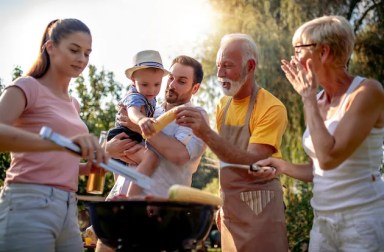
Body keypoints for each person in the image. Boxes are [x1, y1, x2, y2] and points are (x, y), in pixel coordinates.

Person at [257, 15, 384, 251]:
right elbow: (319, 171)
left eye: (298, 50)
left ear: (323, 52)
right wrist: (280, 165)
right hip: (323, 223)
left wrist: (306, 98)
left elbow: (328, 158)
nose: (293, 58)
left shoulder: (367, 92)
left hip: (362, 222)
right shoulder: (316, 100)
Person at [0, 19, 108, 252]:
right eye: (74, 50)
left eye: (87, 53)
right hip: (28, 201)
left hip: (68, 206)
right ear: (50, 47)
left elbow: (54, 158)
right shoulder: (27, 86)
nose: (82, 59)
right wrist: (62, 144)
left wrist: (84, 169)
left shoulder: (74, 104)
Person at [175, 33, 289, 251]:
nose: (219, 74)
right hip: (230, 209)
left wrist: (206, 133)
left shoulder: (271, 108)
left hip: (261, 209)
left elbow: (253, 162)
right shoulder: (222, 106)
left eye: (227, 66)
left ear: (250, 66)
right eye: (218, 66)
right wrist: (222, 202)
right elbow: (224, 159)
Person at [95, 55, 207, 252]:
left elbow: (179, 154)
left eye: (181, 81)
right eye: (171, 77)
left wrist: (140, 129)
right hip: (118, 209)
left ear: (195, 88)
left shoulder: (194, 116)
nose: (172, 84)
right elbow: (117, 147)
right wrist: (108, 149)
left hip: (158, 217)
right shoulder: (149, 109)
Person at [106, 50, 170, 197]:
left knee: (120, 179)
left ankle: (120, 197)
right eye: (145, 84)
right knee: (150, 158)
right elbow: (133, 112)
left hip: (131, 137)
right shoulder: (135, 97)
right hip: (124, 136)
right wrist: (142, 120)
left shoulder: (151, 97)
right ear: (133, 81)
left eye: (157, 84)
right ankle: (130, 200)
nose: (151, 90)